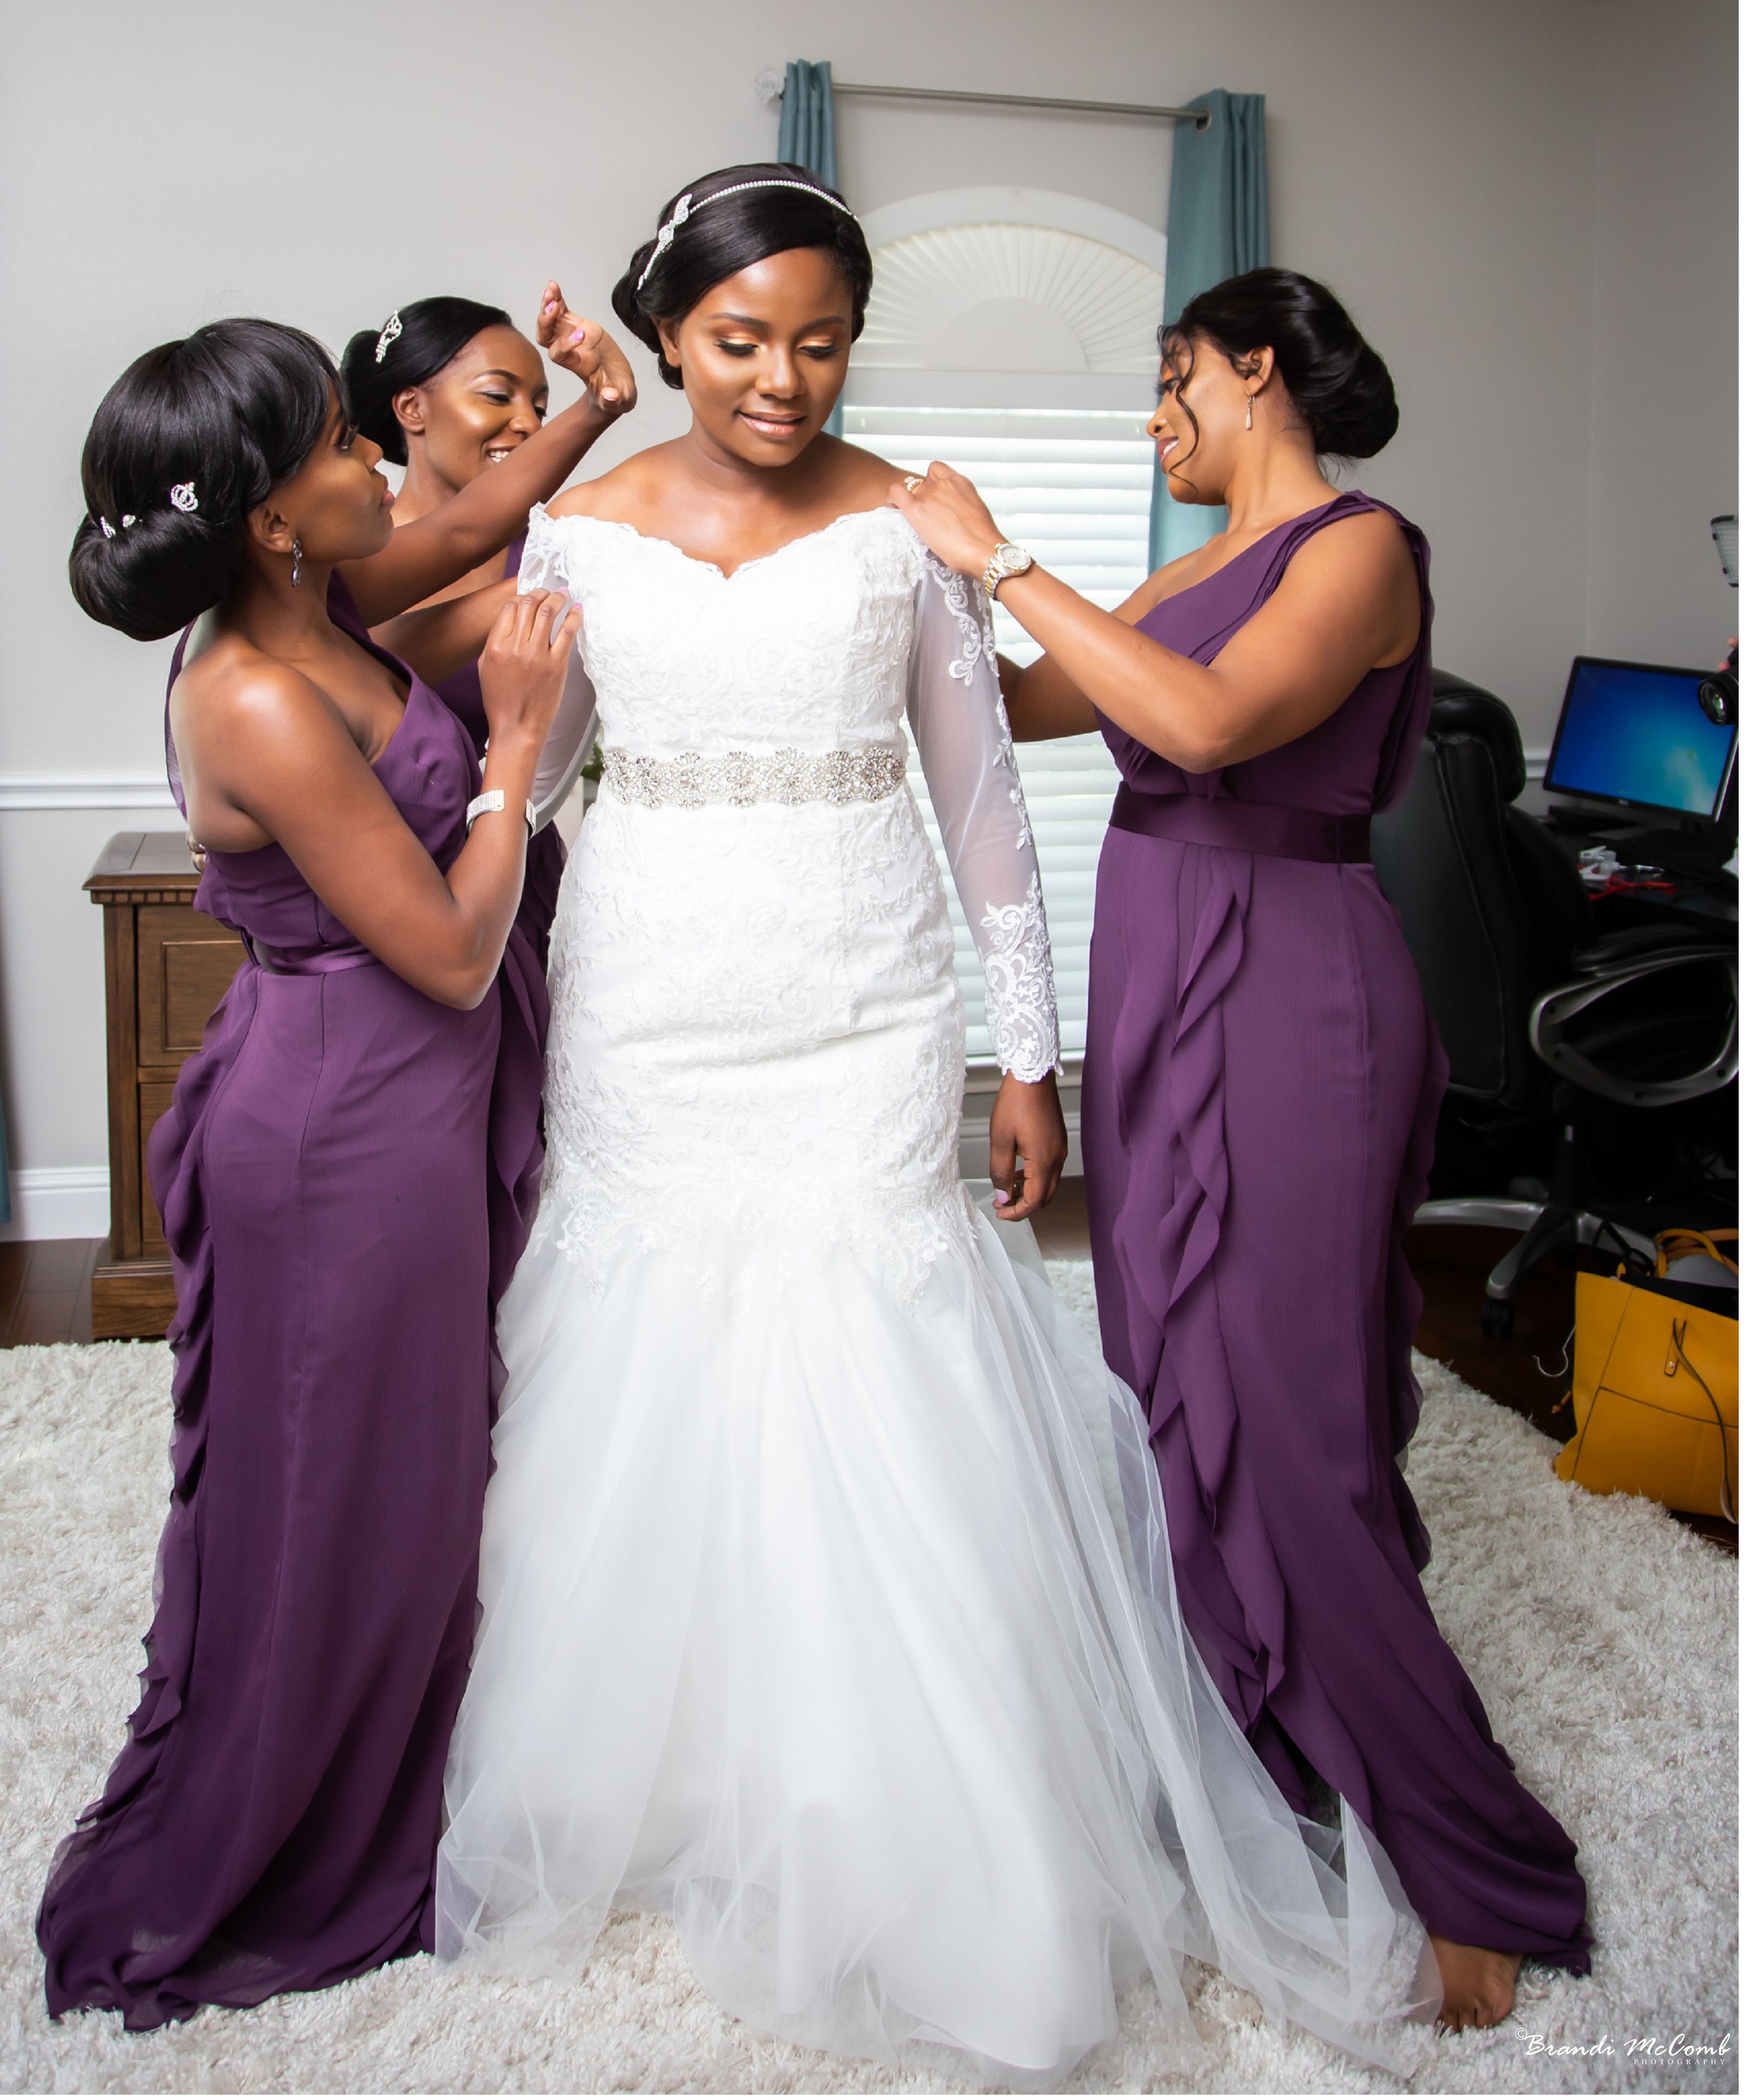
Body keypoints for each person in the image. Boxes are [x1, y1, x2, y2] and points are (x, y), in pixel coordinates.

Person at [431, 169, 1437, 2085]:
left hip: (861, 991)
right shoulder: (578, 525)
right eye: (741, 342)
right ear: (669, 339)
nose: (782, 379)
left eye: (820, 343)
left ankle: (919, 1799)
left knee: (875, 1344)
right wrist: (479, 758)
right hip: (653, 984)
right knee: (645, 1337)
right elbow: (538, 772)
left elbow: (981, 804)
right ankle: (679, 1761)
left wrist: (1024, 1059)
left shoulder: (911, 522)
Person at [891, 265, 1589, 2034]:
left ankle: (1467, 1857)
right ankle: (1264, 1746)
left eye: (1172, 379)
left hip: (1291, 989)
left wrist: (996, 555)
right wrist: (894, 587)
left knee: (1290, 1426)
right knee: (1173, 1382)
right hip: (1158, 977)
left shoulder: (1360, 551)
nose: (1155, 417)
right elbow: (1037, 706)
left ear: (1256, 369)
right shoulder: (1191, 568)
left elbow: (1202, 725)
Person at [38, 294, 633, 2027]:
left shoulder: (322, 595)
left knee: (421, 1465)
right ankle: (297, 1829)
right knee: (343, 1487)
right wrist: (513, 747)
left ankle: (413, 1764)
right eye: (335, 440)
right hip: (341, 1126)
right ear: (272, 516)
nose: (378, 455)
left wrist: (594, 404)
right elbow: (446, 950)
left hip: (398, 1103)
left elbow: (479, 505)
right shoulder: (252, 694)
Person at [341, 292, 570, 960]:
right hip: (366, 875)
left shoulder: (553, 553)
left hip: (512, 863)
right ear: (411, 409)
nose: (527, 424)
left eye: (540, 407)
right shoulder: (342, 558)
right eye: (499, 396)